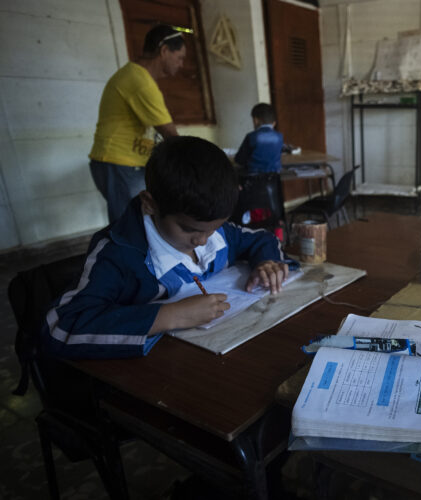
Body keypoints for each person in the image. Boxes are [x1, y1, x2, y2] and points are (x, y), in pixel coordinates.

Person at [44, 137, 291, 359]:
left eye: (214, 229)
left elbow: (260, 238)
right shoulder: (118, 255)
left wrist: (265, 262)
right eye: (189, 230)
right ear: (150, 204)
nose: (203, 241)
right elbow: (63, 325)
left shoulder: (212, 230)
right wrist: (170, 316)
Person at [89, 24, 185, 223]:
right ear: (164, 50)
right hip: (119, 162)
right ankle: (127, 255)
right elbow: (170, 135)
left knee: (140, 220)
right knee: (130, 223)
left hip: (125, 162)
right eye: (180, 57)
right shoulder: (139, 80)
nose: (182, 64)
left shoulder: (134, 75)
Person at [234, 103, 284, 174]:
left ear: (255, 120)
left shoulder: (251, 136)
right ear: (274, 123)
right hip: (273, 181)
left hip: (253, 180)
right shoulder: (279, 136)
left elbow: (239, 159)